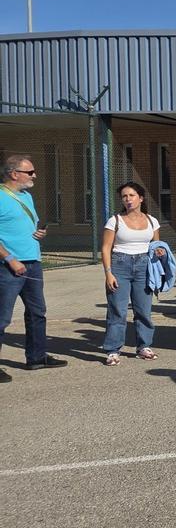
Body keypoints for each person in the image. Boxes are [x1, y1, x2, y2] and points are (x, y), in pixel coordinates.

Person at [0, 154, 66, 382]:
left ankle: (37, 357)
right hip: (8, 267)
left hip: (33, 263)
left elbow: (30, 225)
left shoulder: (27, 197)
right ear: (13, 174)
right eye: (29, 172)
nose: (34, 175)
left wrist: (40, 233)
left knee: (37, 312)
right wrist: (10, 259)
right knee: (2, 317)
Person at [100, 182, 169, 365]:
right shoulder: (115, 220)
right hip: (120, 265)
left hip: (144, 266)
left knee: (143, 310)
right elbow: (106, 248)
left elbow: (156, 245)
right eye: (124, 196)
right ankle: (113, 350)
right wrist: (108, 273)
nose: (128, 199)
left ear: (141, 198)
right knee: (117, 310)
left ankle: (144, 346)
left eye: (131, 195)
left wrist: (159, 251)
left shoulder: (152, 221)